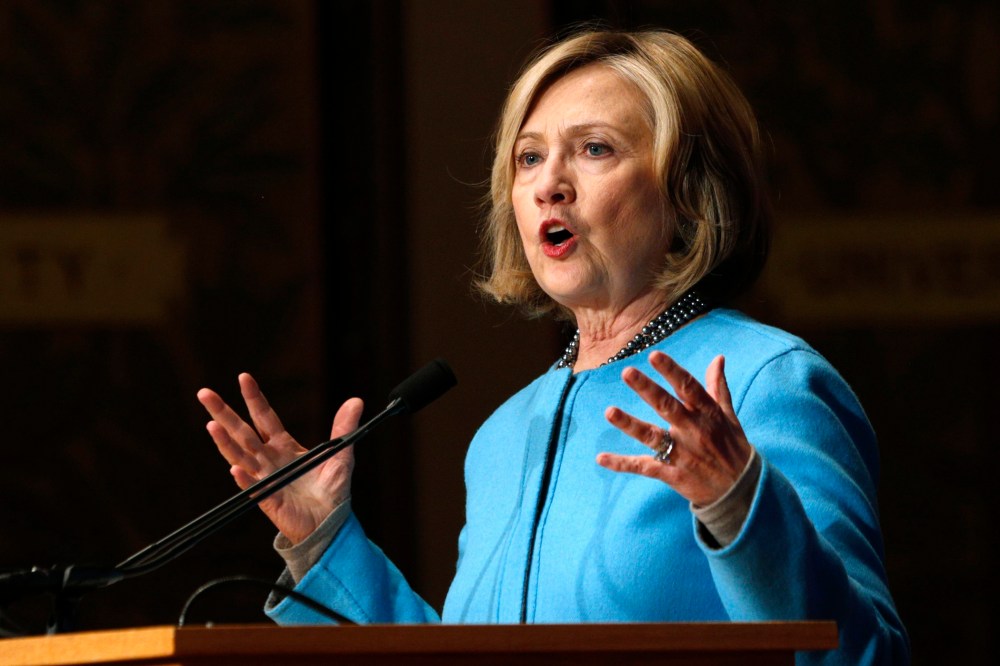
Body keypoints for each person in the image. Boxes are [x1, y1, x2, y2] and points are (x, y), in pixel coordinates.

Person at [197, 29, 909, 665]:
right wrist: (326, 544)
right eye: (529, 157)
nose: (548, 186)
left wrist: (740, 503)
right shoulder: (503, 436)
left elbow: (865, 656)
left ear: (690, 192)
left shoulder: (765, 382)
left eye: (594, 149)